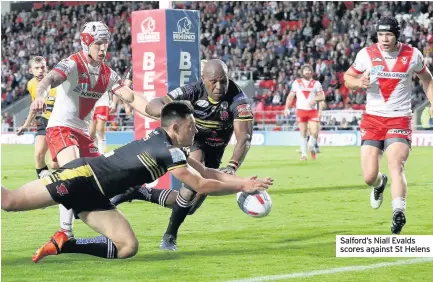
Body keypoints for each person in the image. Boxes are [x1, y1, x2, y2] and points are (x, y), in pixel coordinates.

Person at [1, 101, 273, 263]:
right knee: (9, 202)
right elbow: (200, 184)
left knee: (128, 247)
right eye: (192, 126)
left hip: (95, 196)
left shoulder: (168, 144)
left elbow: (204, 171)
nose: (196, 130)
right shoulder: (166, 150)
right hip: (78, 178)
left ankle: (63, 243)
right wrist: (241, 187)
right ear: (176, 128)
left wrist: (242, 181)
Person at [30, 21, 154, 242]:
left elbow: (132, 98)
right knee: (73, 175)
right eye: (98, 44)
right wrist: (40, 95)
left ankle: (66, 196)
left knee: (105, 180)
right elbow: (49, 79)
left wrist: (161, 114)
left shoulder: (107, 73)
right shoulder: (71, 64)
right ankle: (65, 232)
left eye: (106, 43)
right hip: (60, 127)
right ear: (86, 44)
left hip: (83, 134)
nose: (103, 49)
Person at [112, 59, 254, 251]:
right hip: (194, 140)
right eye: (213, 81)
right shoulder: (192, 90)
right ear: (203, 79)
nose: (219, 86)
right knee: (191, 185)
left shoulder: (239, 100)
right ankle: (169, 236)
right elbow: (153, 104)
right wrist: (173, 111)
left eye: (223, 81)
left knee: (190, 206)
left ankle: (137, 192)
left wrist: (232, 166)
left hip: (217, 149)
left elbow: (244, 137)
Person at [343, 16, 433, 234]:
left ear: (397, 35)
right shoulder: (366, 54)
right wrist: (358, 83)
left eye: (389, 34)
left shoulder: (413, 55)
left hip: (399, 118)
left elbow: (427, 79)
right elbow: (347, 78)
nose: (384, 39)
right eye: (381, 34)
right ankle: (379, 184)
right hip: (372, 119)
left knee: (396, 163)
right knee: (369, 176)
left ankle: (398, 211)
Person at [16, 56, 59, 177]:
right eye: (37, 68)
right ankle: (46, 187)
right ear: (31, 70)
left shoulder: (56, 82)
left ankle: (67, 187)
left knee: (55, 164)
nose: (40, 70)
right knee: (38, 156)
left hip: (59, 122)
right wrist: (25, 125)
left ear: (47, 68)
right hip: (44, 120)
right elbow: (34, 106)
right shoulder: (31, 85)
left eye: (42, 67)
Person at [284, 64, 325, 160]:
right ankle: (304, 154)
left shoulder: (316, 83)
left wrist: (315, 100)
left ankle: (312, 146)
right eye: (306, 70)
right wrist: (286, 107)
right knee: (303, 132)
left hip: (312, 111)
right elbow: (290, 96)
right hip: (301, 111)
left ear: (312, 72)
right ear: (302, 72)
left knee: (314, 132)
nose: (308, 71)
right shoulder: (296, 83)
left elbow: (322, 96)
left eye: (309, 70)